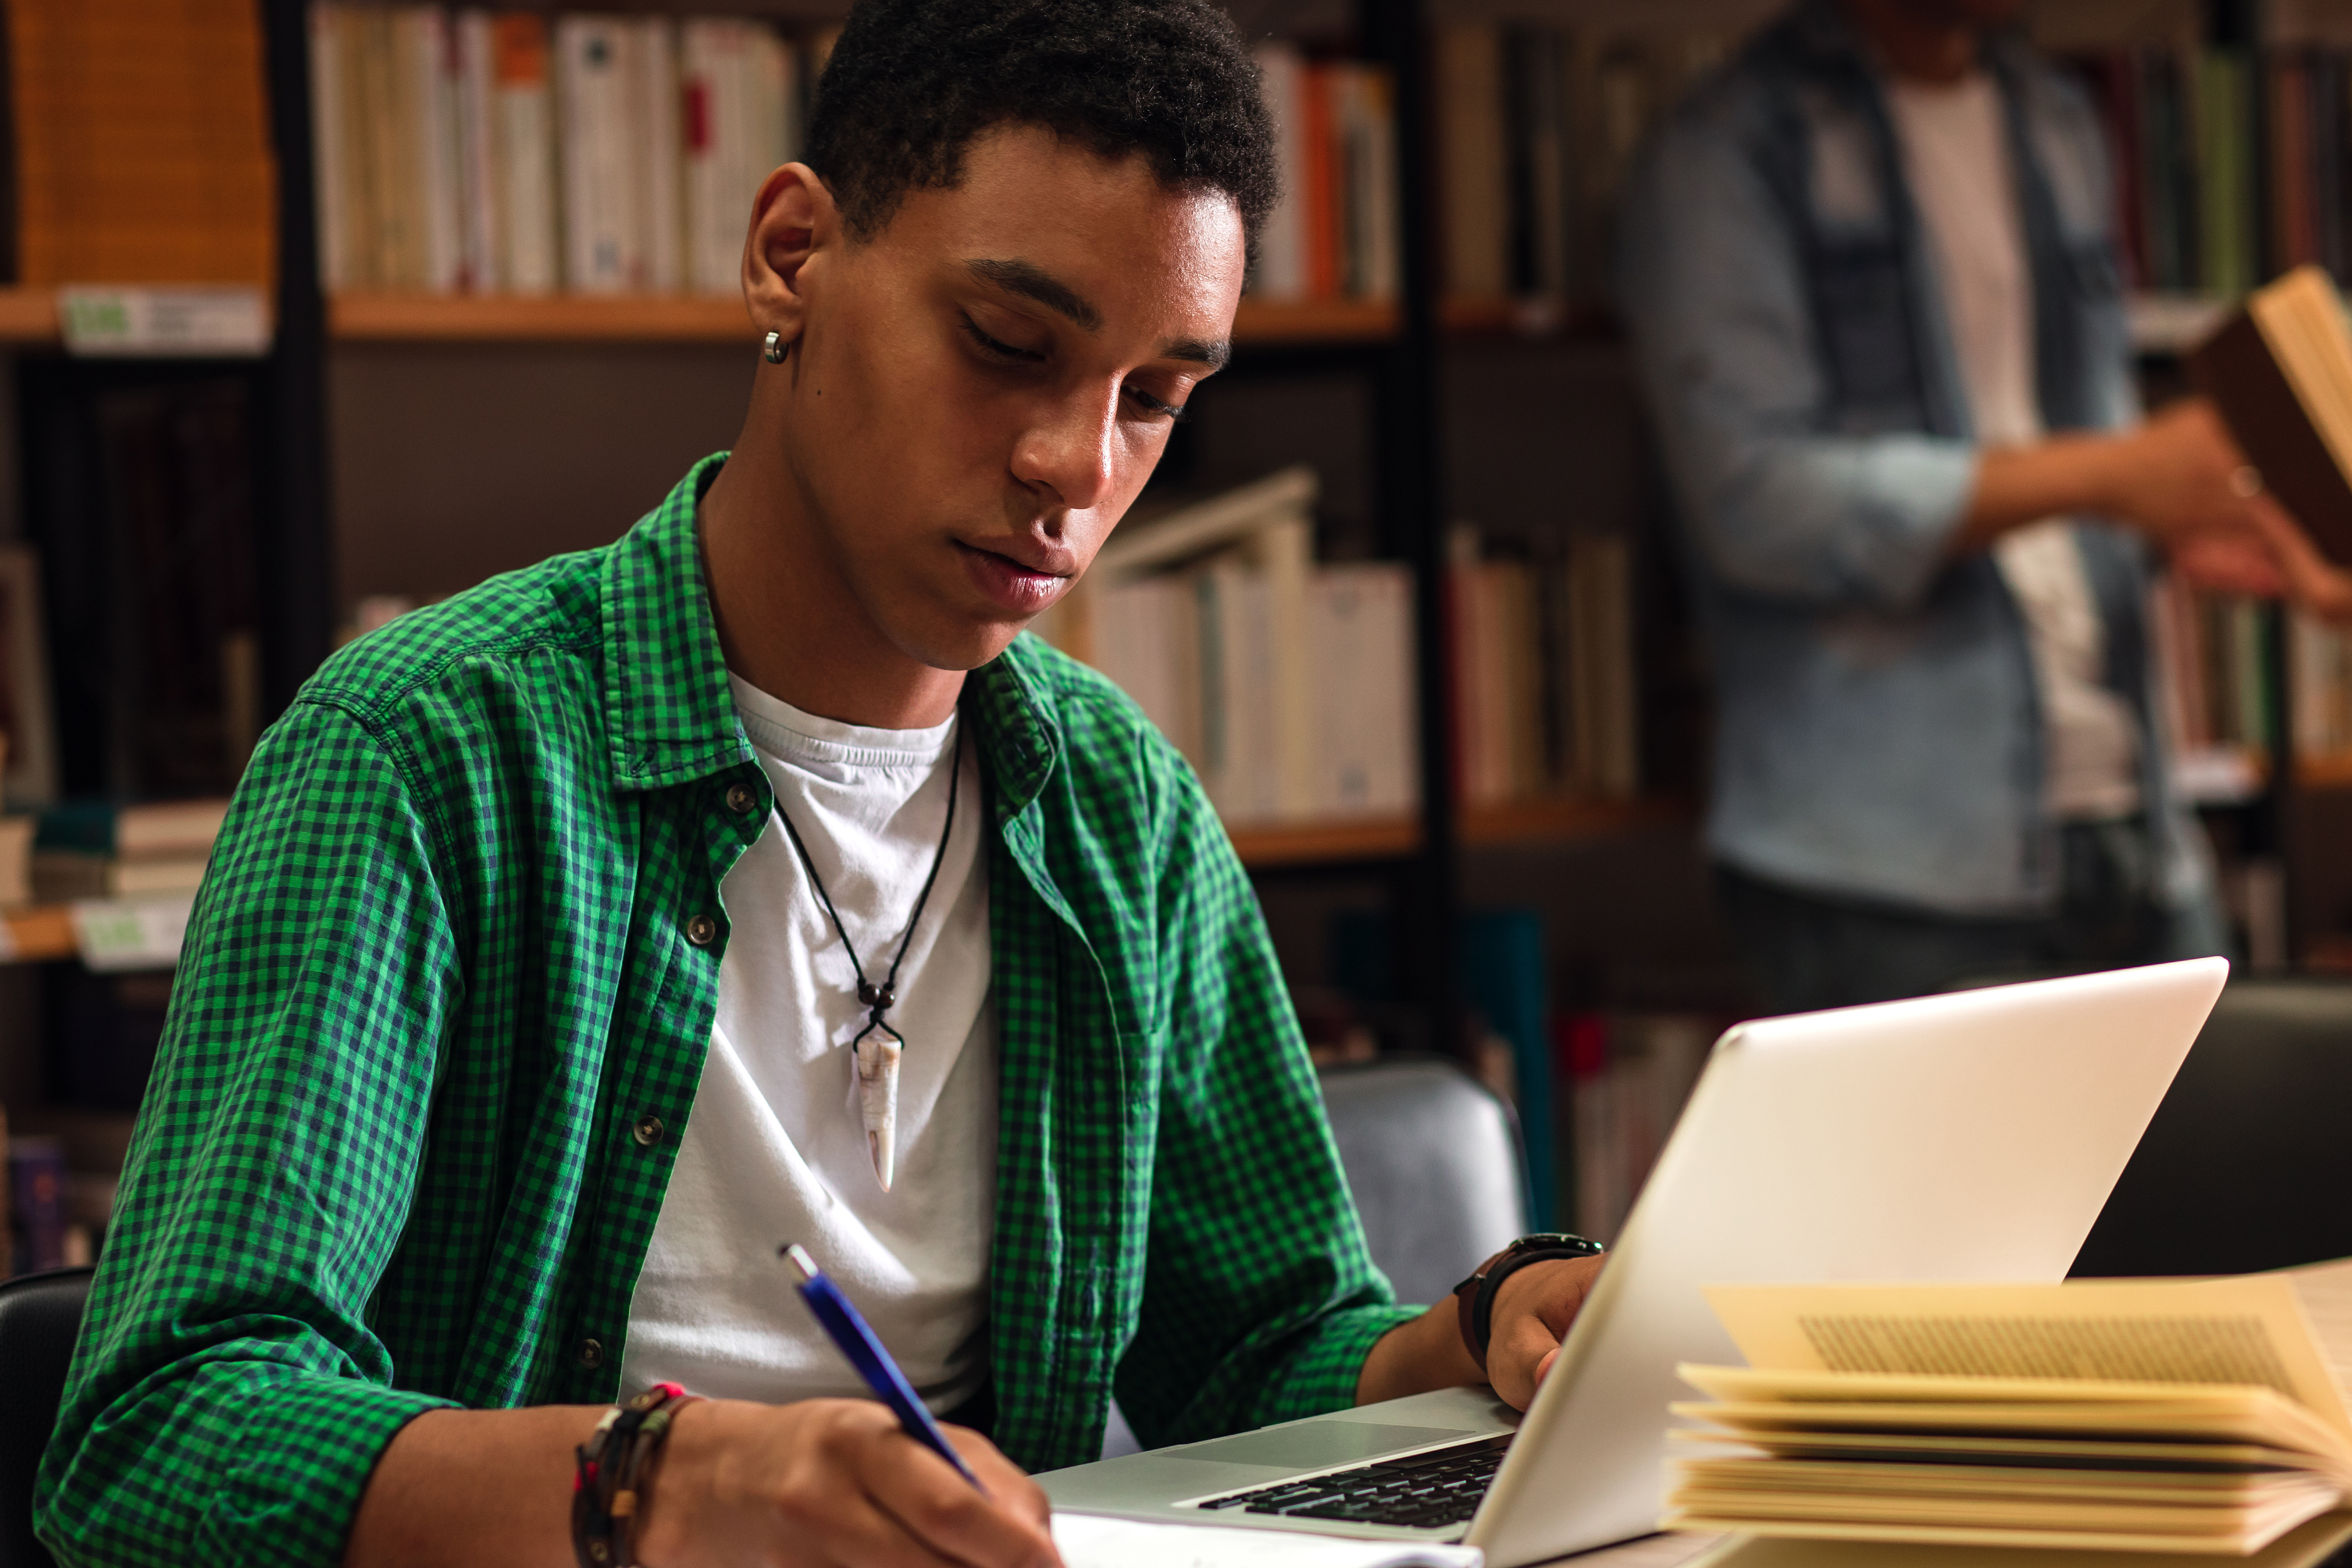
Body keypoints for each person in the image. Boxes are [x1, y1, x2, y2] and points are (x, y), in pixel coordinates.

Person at [36, 3, 1610, 1565]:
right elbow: (162, 1436)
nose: (1077, 463)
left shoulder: (1121, 806)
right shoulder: (426, 754)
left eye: (1153, 398)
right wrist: (663, 1482)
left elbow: (1257, 1352)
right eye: (1010, 346)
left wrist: (1480, 1337)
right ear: (791, 253)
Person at [1615, 0, 2352, 1012]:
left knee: (2210, 1162)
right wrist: (2109, 475)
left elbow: (2080, 437)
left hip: (2128, 816)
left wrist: (2196, 518)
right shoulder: (1728, 152)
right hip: (1890, 853)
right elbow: (1754, 505)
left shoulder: (2055, 121)